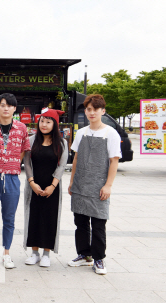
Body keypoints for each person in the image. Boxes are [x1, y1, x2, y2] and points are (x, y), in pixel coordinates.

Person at [68, 94, 121, 275]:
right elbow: (75, 158)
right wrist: (72, 181)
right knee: (80, 222)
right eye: (89, 109)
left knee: (98, 224)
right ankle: (84, 255)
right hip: (80, 184)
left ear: (103, 111)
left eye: (96, 109)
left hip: (99, 185)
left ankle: (99, 258)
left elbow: (114, 161)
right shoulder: (81, 132)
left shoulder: (110, 133)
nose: (92, 112)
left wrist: (108, 185)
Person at [0, 93, 30, 269]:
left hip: (11, 177)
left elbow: (24, 148)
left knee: (9, 218)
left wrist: (13, 162)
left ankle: (7, 253)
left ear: (14, 108)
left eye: (9, 105)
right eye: (2, 105)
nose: (5, 108)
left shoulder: (21, 128)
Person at [23, 108, 68, 267]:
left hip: (52, 188)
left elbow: (62, 166)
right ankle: (34, 253)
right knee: (33, 217)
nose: (44, 124)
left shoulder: (61, 143)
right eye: (42, 121)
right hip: (33, 186)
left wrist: (52, 186)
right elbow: (27, 163)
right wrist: (31, 182)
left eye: (48, 122)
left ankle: (46, 254)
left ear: (54, 124)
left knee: (50, 218)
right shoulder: (31, 140)